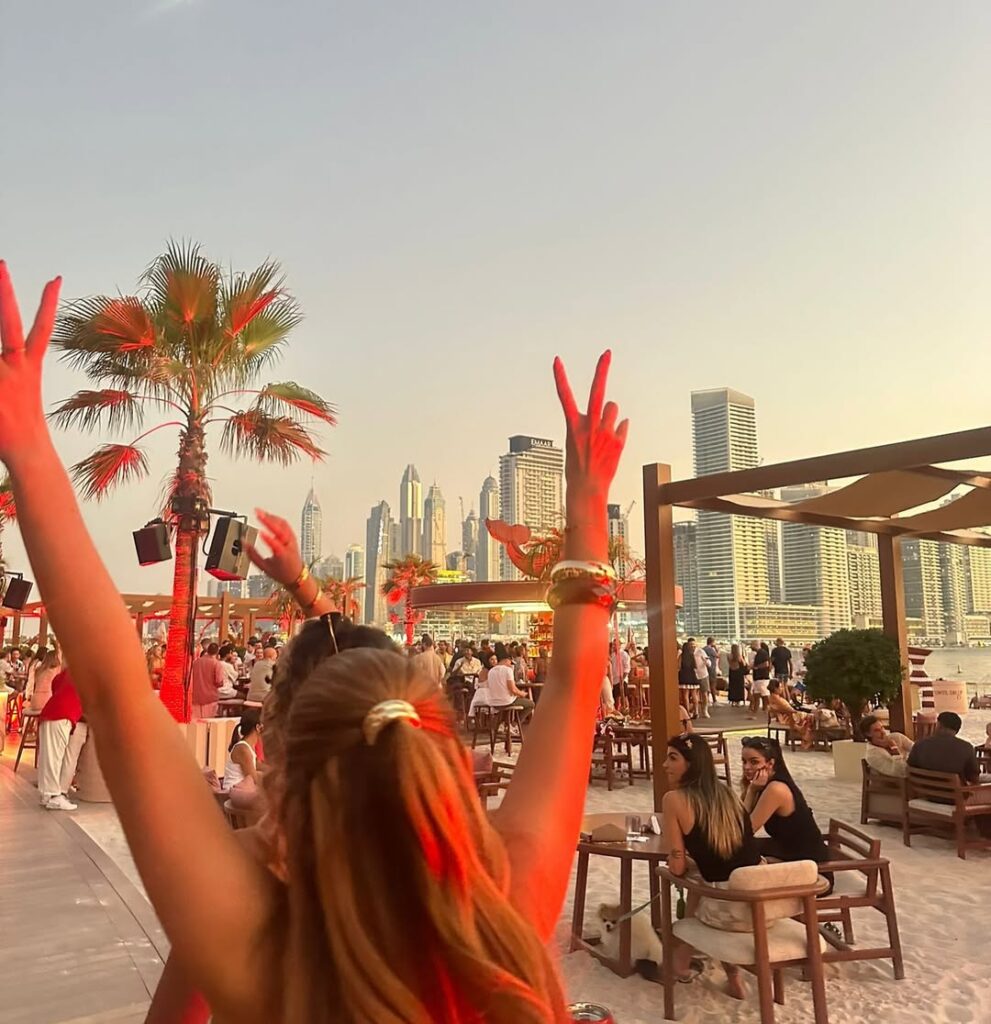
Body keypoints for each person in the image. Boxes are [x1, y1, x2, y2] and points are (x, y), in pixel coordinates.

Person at [1, 272, 628, 1022]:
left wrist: (27, 446)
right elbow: (574, 688)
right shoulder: (507, 915)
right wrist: (588, 501)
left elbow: (113, 691)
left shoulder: (263, 955)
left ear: (285, 773)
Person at [662, 733, 761, 997]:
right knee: (708, 880)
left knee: (699, 884)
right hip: (761, 906)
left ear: (691, 763)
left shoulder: (674, 799)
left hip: (724, 912)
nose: (665, 764)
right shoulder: (728, 794)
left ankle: (680, 960)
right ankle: (729, 974)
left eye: (672, 758)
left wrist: (680, 860)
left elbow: (676, 867)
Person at [740, 736, 830, 868]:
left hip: (808, 865)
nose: (747, 767)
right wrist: (752, 790)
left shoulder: (776, 789)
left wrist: (752, 791)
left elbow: (744, 830)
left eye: (754, 762)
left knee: (737, 854)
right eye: (744, 761)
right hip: (787, 852)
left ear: (770, 763)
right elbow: (738, 822)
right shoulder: (763, 784)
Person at [908, 711, 991, 802]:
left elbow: (911, 768)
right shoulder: (966, 747)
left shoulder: (919, 745)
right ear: (957, 730)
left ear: (939, 725)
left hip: (926, 795)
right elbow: (974, 777)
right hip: (955, 799)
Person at [37, 667, 86, 810]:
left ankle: (47, 795)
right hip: (63, 714)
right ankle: (54, 796)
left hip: (51, 711)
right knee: (55, 757)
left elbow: (56, 682)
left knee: (48, 756)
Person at [486, 642, 535, 723]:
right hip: (506, 701)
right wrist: (522, 694)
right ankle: (515, 724)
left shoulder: (491, 671)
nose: (510, 664)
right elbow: (513, 689)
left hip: (493, 702)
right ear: (507, 660)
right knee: (530, 704)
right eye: (510, 662)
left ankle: (504, 724)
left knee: (512, 702)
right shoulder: (507, 670)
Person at [768, 678, 814, 750]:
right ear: (775, 689)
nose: (782, 689)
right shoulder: (778, 699)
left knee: (808, 716)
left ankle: (805, 738)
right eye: (780, 687)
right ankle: (806, 740)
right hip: (787, 717)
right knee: (811, 718)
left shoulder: (773, 697)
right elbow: (790, 710)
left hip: (785, 716)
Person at [223, 708, 262, 791]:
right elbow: (253, 778)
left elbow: (257, 765)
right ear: (258, 727)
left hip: (242, 790)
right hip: (233, 792)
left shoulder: (249, 746)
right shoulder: (243, 749)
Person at [190, 642, 226, 719]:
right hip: (210, 698)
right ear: (217, 652)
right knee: (209, 722)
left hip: (195, 697)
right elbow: (219, 682)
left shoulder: (196, 662)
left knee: (197, 722)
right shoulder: (216, 664)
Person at [678, 639, 700, 717]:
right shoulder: (692, 655)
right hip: (692, 676)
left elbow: (678, 667)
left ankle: (687, 713)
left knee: (685, 695)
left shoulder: (681, 656)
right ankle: (696, 711)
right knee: (694, 695)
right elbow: (696, 666)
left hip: (684, 676)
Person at [748, 640, 771, 717]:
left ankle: (767, 709)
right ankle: (756, 711)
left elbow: (766, 664)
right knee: (757, 695)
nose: (751, 647)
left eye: (752, 645)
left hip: (762, 677)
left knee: (765, 695)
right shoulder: (758, 653)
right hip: (758, 678)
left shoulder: (762, 653)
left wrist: (756, 667)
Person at [702, 637, 719, 706]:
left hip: (705, 669)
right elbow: (717, 655)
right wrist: (716, 648)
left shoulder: (703, 649)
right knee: (713, 685)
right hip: (712, 669)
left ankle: (707, 700)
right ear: (712, 642)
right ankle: (714, 700)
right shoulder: (711, 649)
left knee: (706, 685)